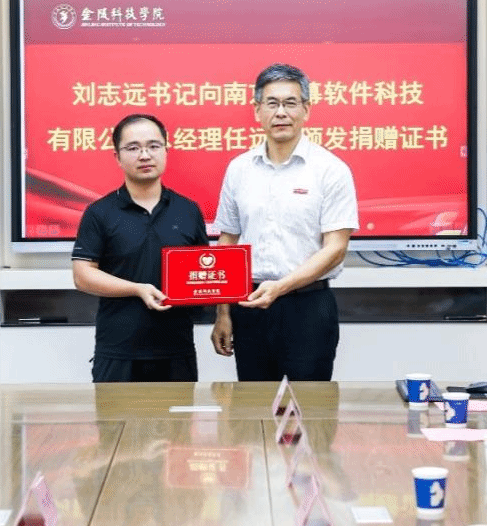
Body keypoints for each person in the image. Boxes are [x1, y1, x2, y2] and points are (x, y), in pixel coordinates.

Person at [210, 63, 358, 381]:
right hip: (248, 305)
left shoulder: (330, 170)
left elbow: (336, 248)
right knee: (253, 404)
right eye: (272, 103)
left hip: (308, 307)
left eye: (290, 103)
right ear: (257, 111)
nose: (281, 113)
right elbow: (228, 242)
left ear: (306, 109)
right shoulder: (239, 169)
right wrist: (223, 312)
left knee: (308, 405)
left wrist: (281, 286)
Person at [71, 114, 208, 382]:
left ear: (166, 151)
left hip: (176, 350)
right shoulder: (99, 212)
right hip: (118, 351)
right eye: (133, 148)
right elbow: (82, 275)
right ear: (117, 157)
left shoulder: (188, 210)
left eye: (154, 146)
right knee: (114, 412)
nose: (145, 155)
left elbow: (203, 271)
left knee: (178, 412)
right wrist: (137, 289)